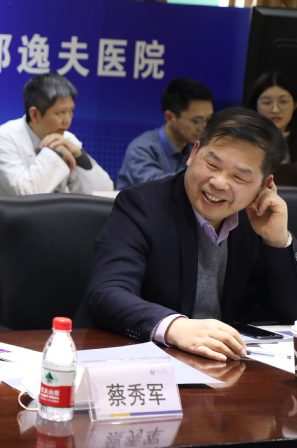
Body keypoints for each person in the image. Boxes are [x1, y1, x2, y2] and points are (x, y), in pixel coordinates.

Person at [83, 107, 297, 361]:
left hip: (226, 369)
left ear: (264, 185)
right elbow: (106, 293)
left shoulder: (257, 220)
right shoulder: (142, 205)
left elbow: (289, 314)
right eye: (212, 164)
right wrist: (175, 327)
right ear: (194, 153)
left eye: (239, 177)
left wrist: (277, 241)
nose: (218, 182)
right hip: (142, 362)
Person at [0, 72, 113, 196]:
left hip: (57, 213)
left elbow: (104, 193)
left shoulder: (68, 140)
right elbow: (26, 194)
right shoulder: (4, 138)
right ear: (35, 114)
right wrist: (55, 152)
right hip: (8, 213)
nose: (67, 120)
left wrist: (80, 157)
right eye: (61, 112)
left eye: (71, 111)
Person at [116, 78, 214, 190]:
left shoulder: (195, 150)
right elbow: (154, 187)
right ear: (170, 117)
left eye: (208, 119)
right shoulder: (142, 148)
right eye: (197, 121)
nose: (204, 126)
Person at [245, 71, 297, 163]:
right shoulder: (244, 141)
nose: (275, 110)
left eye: (283, 102)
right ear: (255, 106)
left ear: (295, 105)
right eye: (267, 103)